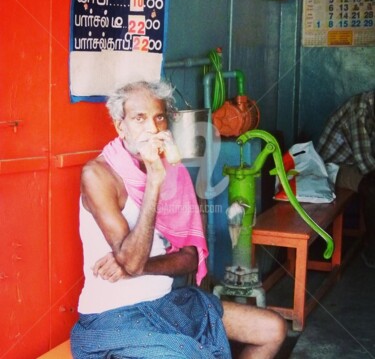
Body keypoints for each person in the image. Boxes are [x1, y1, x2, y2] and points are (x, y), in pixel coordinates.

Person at [70, 80, 287, 358]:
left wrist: (137, 266)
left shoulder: (174, 172)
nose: (152, 128)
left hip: (167, 304)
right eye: (139, 118)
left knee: (272, 329)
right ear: (120, 126)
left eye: (158, 117)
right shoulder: (98, 175)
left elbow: (188, 259)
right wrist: (153, 182)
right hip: (114, 316)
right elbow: (131, 261)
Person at [316, 89, 375, 268]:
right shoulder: (359, 110)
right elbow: (367, 166)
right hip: (330, 169)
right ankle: (372, 249)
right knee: (372, 187)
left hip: (351, 163)